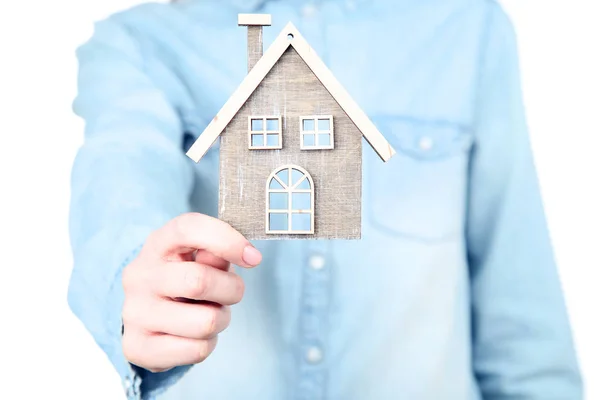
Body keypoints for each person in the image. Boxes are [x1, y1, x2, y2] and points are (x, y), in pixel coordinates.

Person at [67, 0, 583, 399]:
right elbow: (120, 180)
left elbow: (521, 321)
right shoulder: (140, 43)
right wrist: (137, 287)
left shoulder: (468, 27)